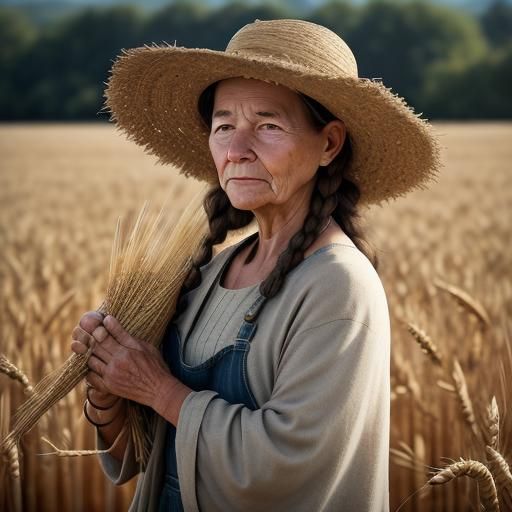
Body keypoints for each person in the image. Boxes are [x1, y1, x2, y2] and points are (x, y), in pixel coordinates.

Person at [71, 19, 441, 512]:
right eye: (224, 127)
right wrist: (107, 385)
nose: (237, 150)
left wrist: (157, 388)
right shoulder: (208, 275)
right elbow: (146, 454)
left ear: (329, 144)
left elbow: (288, 466)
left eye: (267, 126)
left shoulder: (338, 286)